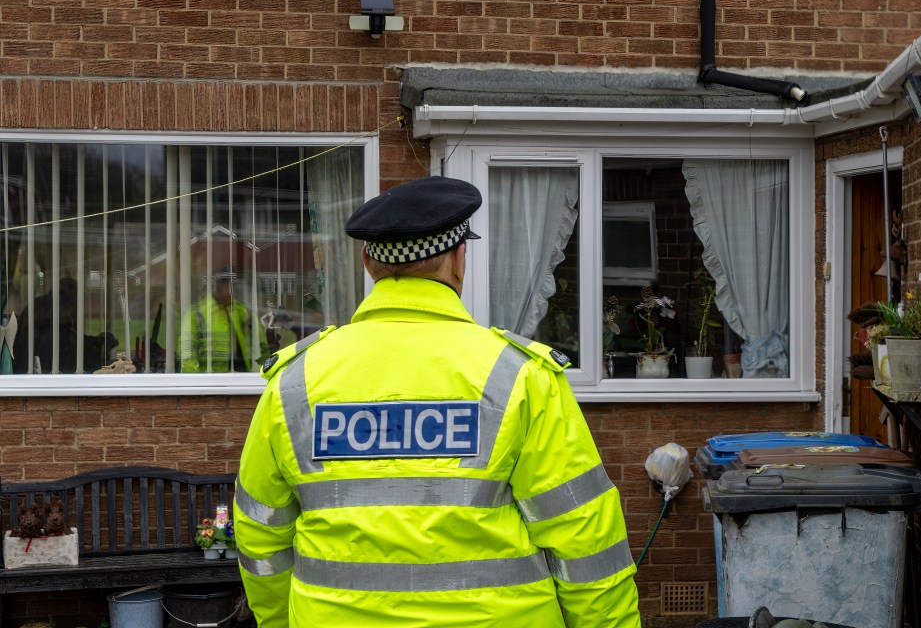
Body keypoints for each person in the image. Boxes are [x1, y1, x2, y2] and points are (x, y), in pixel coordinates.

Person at [234, 176, 642, 627]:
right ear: (458, 261)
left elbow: (261, 537)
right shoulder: (521, 376)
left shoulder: (294, 382)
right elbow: (584, 538)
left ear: (369, 263)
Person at [180, 264, 268, 373]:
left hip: (243, 377)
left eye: (232, 282)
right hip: (210, 378)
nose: (229, 286)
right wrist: (193, 379)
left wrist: (265, 372)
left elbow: (261, 345)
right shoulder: (197, 313)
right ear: (215, 284)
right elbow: (187, 348)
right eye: (224, 281)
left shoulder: (244, 312)